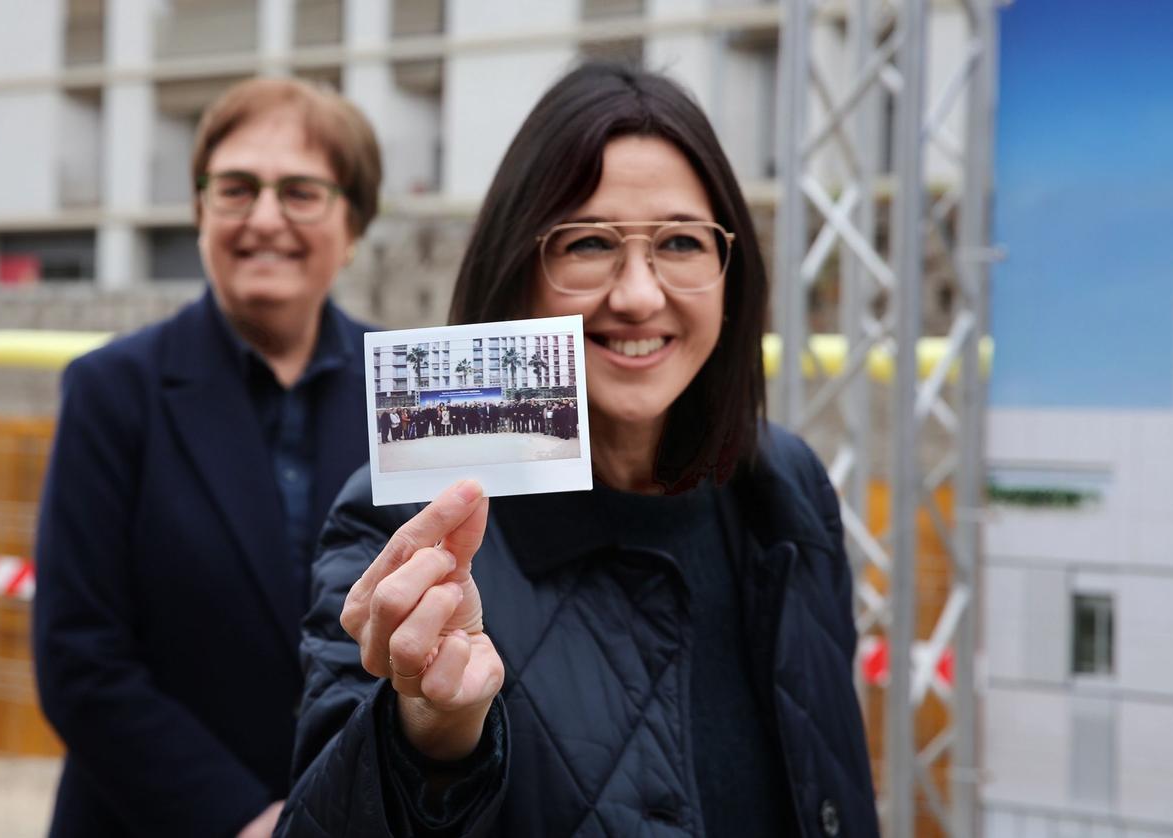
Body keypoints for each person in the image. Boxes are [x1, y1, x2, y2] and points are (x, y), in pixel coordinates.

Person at [278, 63, 878, 837]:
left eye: (681, 243)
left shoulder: (787, 483)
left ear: (734, 274)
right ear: (516, 265)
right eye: (589, 242)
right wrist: (428, 736)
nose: (636, 294)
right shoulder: (404, 513)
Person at [33, 77, 382, 838]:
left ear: (352, 223)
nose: (264, 218)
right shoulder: (112, 391)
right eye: (235, 190)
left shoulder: (405, 389)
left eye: (300, 192)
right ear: (199, 214)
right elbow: (79, 658)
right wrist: (237, 819)